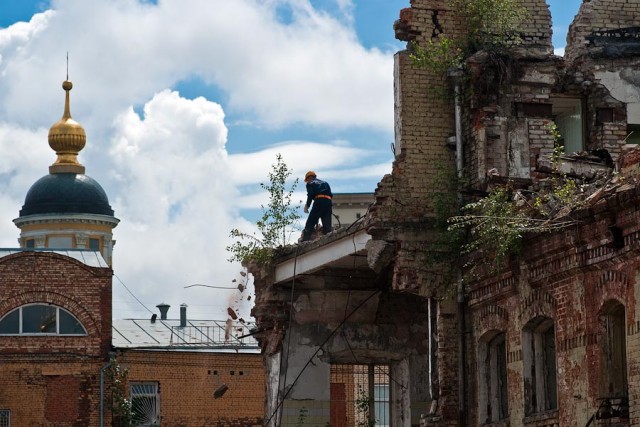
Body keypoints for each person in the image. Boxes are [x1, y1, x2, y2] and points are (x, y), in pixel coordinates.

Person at [301, 171, 333, 242]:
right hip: (328, 202)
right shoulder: (325, 183)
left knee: (310, 222)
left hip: (319, 201)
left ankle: (304, 241)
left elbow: (310, 195)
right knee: (327, 224)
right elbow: (330, 194)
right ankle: (329, 240)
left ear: (309, 177)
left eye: (307, 180)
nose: (307, 181)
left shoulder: (310, 183)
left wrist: (307, 206)